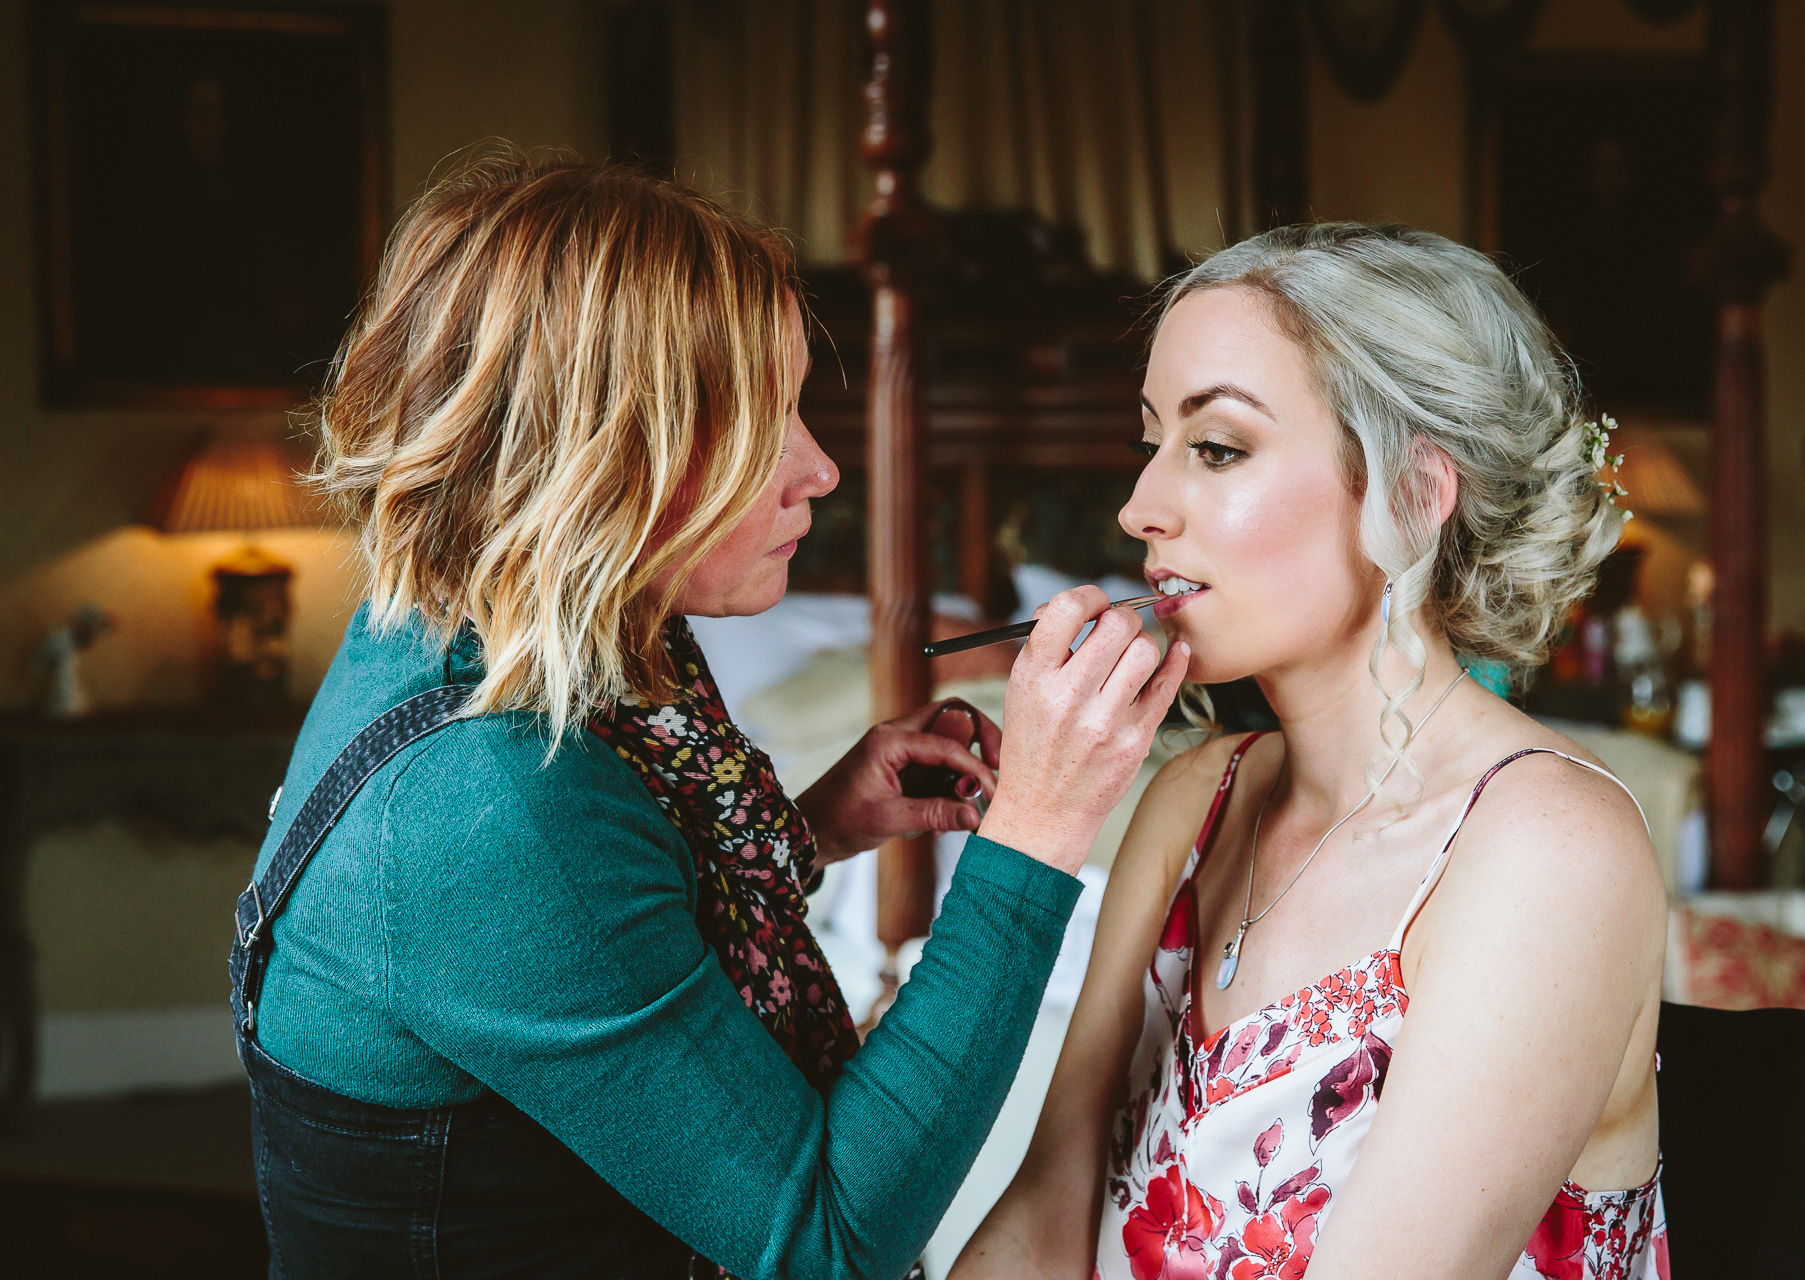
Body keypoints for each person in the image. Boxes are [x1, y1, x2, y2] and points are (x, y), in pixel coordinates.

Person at [230, 155, 1188, 1279]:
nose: (822, 467)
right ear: (606, 448)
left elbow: (606, 914)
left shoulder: (482, 627)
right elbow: (826, 1242)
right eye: (761, 418)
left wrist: (811, 824)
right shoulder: (483, 801)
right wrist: (1036, 828)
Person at [953, 223, 1669, 1279]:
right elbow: (1045, 1212)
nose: (1139, 507)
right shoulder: (1193, 802)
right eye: (1148, 441)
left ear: (1416, 498)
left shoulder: (1549, 851)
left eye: (1217, 447)